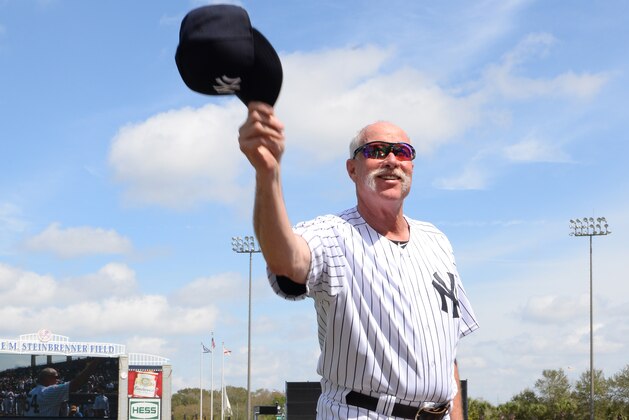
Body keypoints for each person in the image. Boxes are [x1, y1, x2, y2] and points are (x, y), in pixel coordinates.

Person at [238, 102, 479, 420]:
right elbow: (286, 261)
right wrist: (267, 174)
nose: (392, 160)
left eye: (403, 152)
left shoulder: (437, 241)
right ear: (352, 169)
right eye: (377, 150)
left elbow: (448, 356)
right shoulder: (331, 234)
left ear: (411, 167)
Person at [23, 359, 100, 417]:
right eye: (56, 377)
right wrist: (95, 362)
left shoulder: (32, 391)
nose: (58, 379)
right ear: (47, 378)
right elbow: (75, 384)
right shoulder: (48, 391)